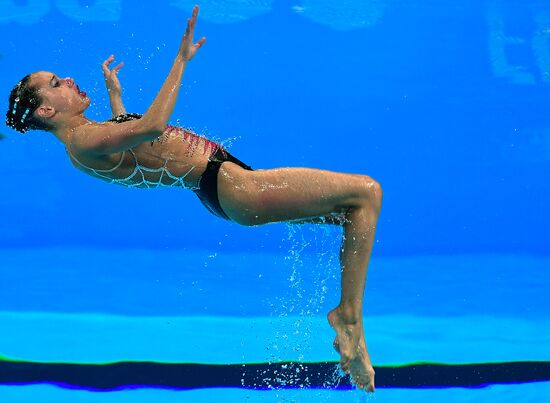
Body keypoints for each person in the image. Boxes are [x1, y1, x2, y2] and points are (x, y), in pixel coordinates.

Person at [5, 5, 382, 392]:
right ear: (46, 109)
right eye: (55, 82)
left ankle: (350, 323)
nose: (67, 79)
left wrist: (116, 99)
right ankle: (348, 318)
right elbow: (151, 126)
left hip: (225, 186)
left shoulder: (86, 141)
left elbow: (138, 151)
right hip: (232, 186)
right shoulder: (82, 141)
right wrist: (181, 60)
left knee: (352, 214)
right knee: (366, 193)